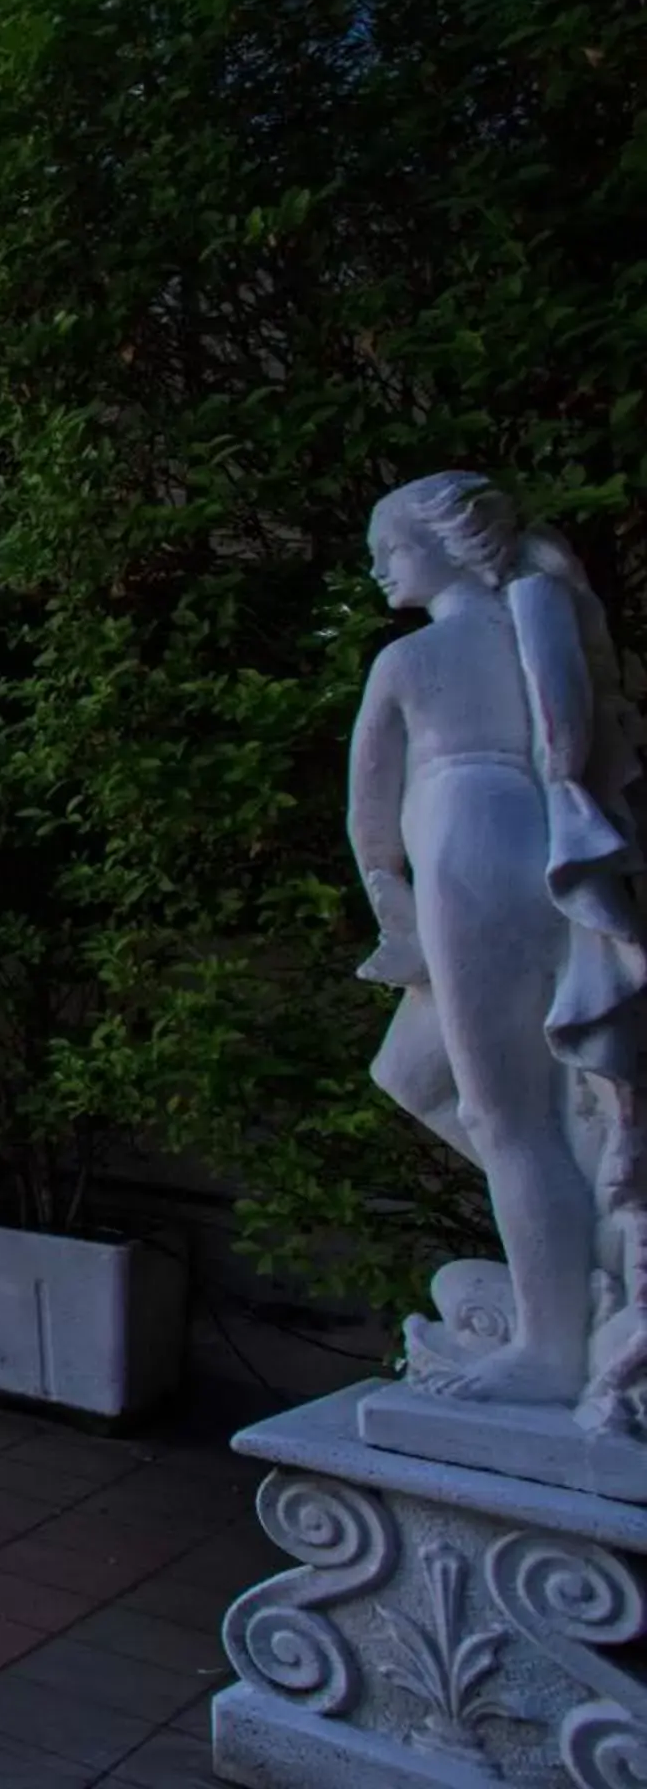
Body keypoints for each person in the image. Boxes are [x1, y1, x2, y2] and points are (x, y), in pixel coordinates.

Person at [350, 473, 647, 1407]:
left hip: (464, 849)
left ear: (443, 545)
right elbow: (571, 739)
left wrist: (391, 905)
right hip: (542, 842)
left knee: (505, 1115)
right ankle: (580, 1247)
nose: (376, 568)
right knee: (415, 1076)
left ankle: (551, 1350)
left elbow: (369, 811)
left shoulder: (415, 659)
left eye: (388, 548)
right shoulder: (538, 617)